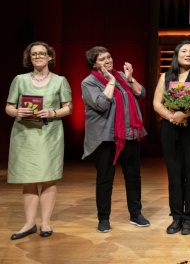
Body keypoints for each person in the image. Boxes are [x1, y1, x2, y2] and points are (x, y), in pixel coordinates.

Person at [6, 42, 72, 240]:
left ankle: (45, 223)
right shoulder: (19, 80)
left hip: (48, 133)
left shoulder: (60, 81)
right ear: (29, 58)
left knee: (48, 177)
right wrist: (16, 111)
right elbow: (8, 107)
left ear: (50, 57)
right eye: (34, 54)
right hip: (24, 134)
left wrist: (52, 112)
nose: (38, 57)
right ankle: (29, 224)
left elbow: (68, 108)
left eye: (42, 53)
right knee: (28, 178)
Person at [82, 46, 149, 233]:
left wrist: (130, 79)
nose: (108, 61)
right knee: (105, 179)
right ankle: (103, 218)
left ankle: (136, 214)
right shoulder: (89, 83)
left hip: (129, 135)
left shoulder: (121, 76)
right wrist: (111, 81)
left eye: (109, 57)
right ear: (94, 65)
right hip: (106, 138)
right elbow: (102, 104)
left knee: (133, 177)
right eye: (102, 59)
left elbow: (140, 93)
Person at [153, 41, 190, 235]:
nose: (188, 54)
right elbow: (156, 103)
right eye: (184, 51)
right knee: (174, 175)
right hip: (171, 128)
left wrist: (184, 115)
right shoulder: (166, 76)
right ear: (176, 55)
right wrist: (171, 117)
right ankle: (176, 217)